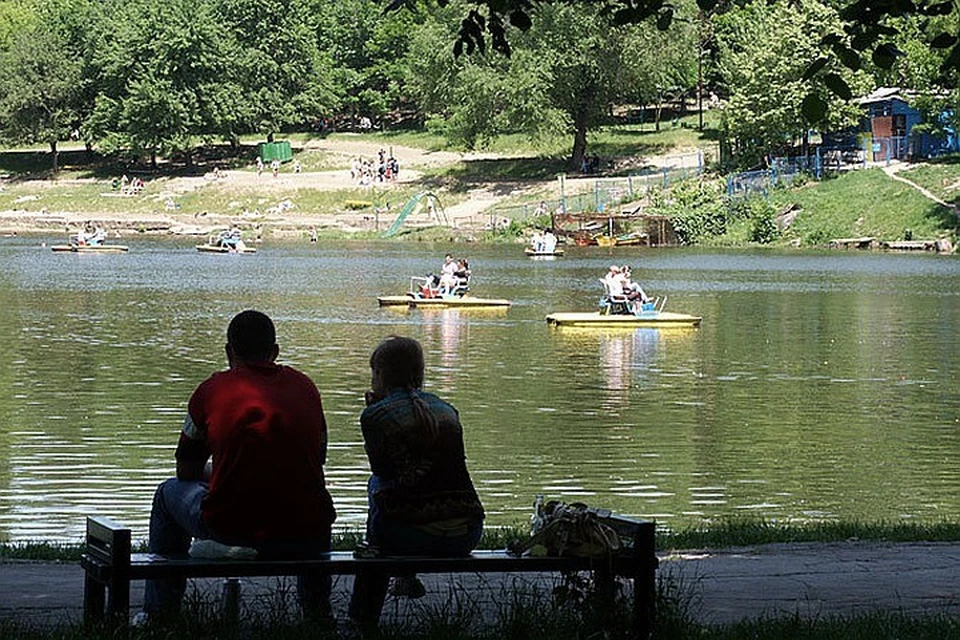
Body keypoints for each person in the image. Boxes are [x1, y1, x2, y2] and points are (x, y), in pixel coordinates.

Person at [141, 310, 336, 622]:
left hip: (232, 527)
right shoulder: (307, 388)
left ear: (229, 351)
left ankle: (159, 614)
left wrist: (215, 473)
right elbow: (316, 458)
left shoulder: (209, 391)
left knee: (167, 494)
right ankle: (318, 615)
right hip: (308, 531)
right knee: (309, 500)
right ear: (275, 352)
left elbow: (186, 472)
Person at [349, 336, 484, 629]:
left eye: (373, 373)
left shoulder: (374, 416)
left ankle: (362, 616)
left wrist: (375, 412)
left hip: (409, 538)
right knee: (410, 491)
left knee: (376, 486)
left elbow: (384, 475)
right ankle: (404, 579)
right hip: (468, 534)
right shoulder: (448, 410)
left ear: (380, 375)